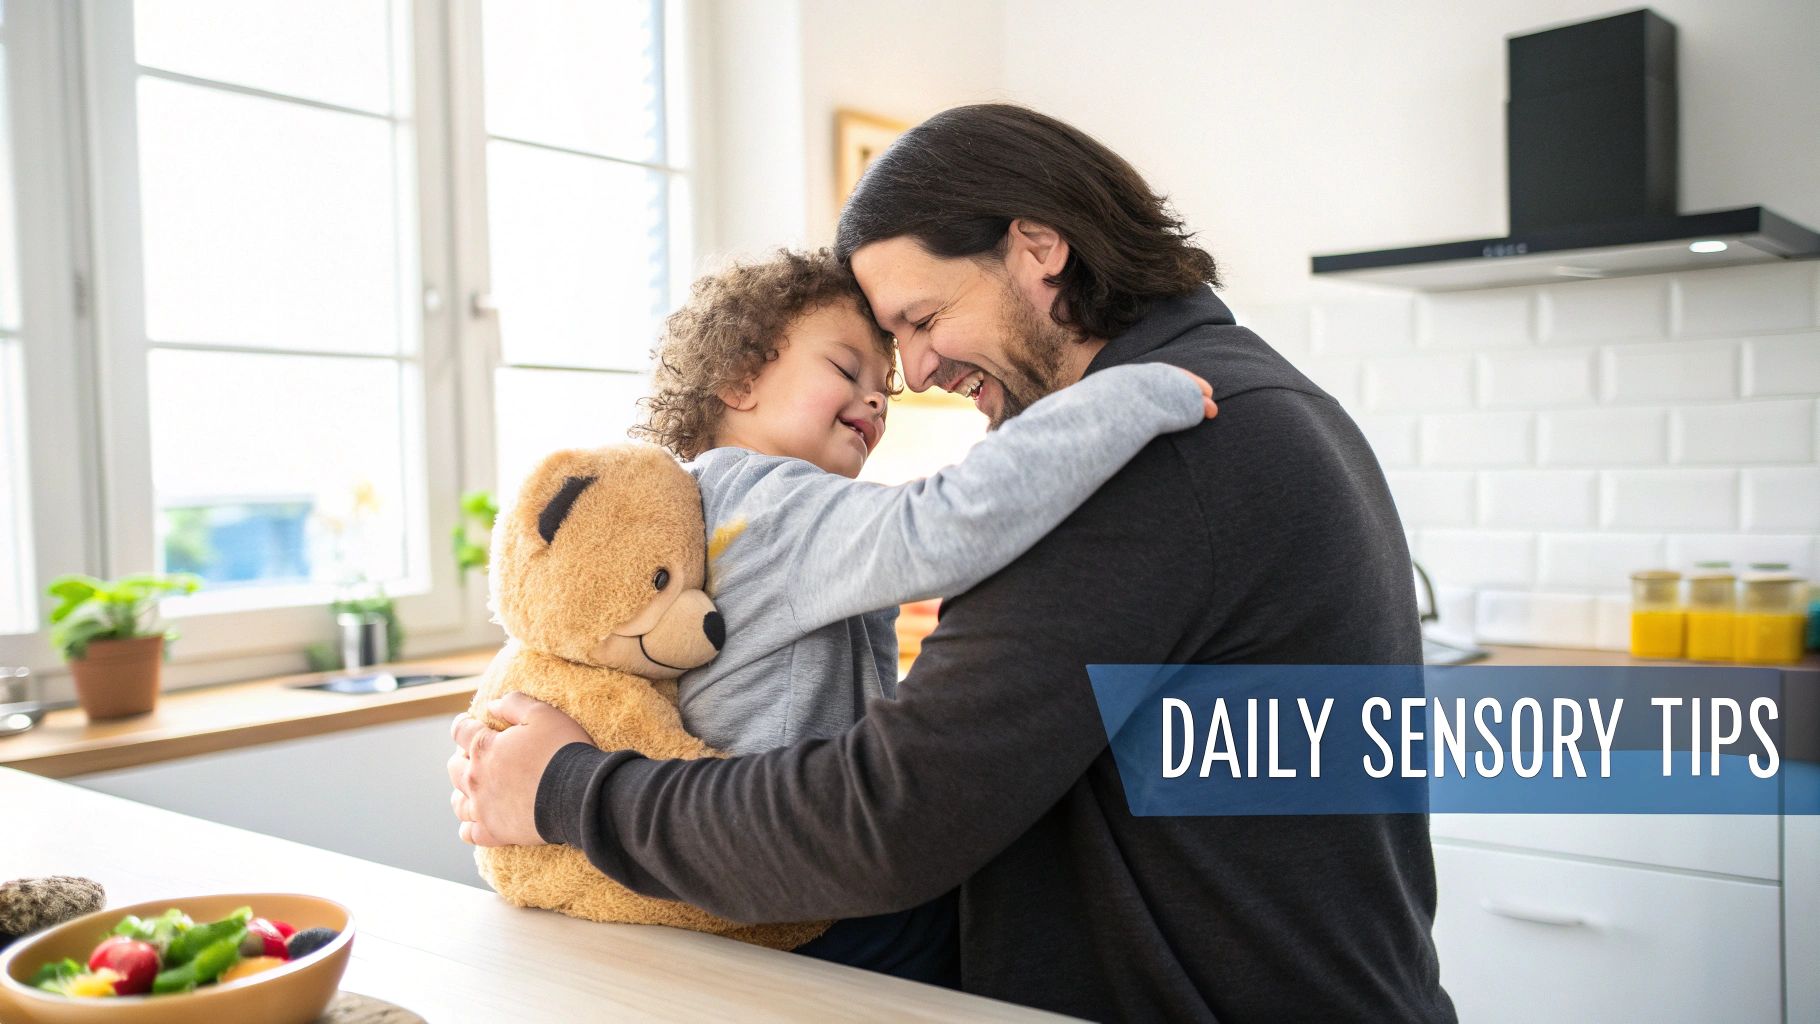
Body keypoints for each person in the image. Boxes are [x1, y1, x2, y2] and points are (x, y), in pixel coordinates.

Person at [451, 103, 1456, 1022]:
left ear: (1036, 248)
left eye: (919, 323)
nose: (917, 375)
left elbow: (884, 818)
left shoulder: (1150, 447)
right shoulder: (1260, 401)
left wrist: (566, 787)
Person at [469, 247, 1216, 985]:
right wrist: (1127, 397)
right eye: (844, 370)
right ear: (739, 378)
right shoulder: (771, 501)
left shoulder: (698, 503)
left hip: (705, 866)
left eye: (883, 389)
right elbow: (950, 522)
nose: (877, 401)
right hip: (798, 888)